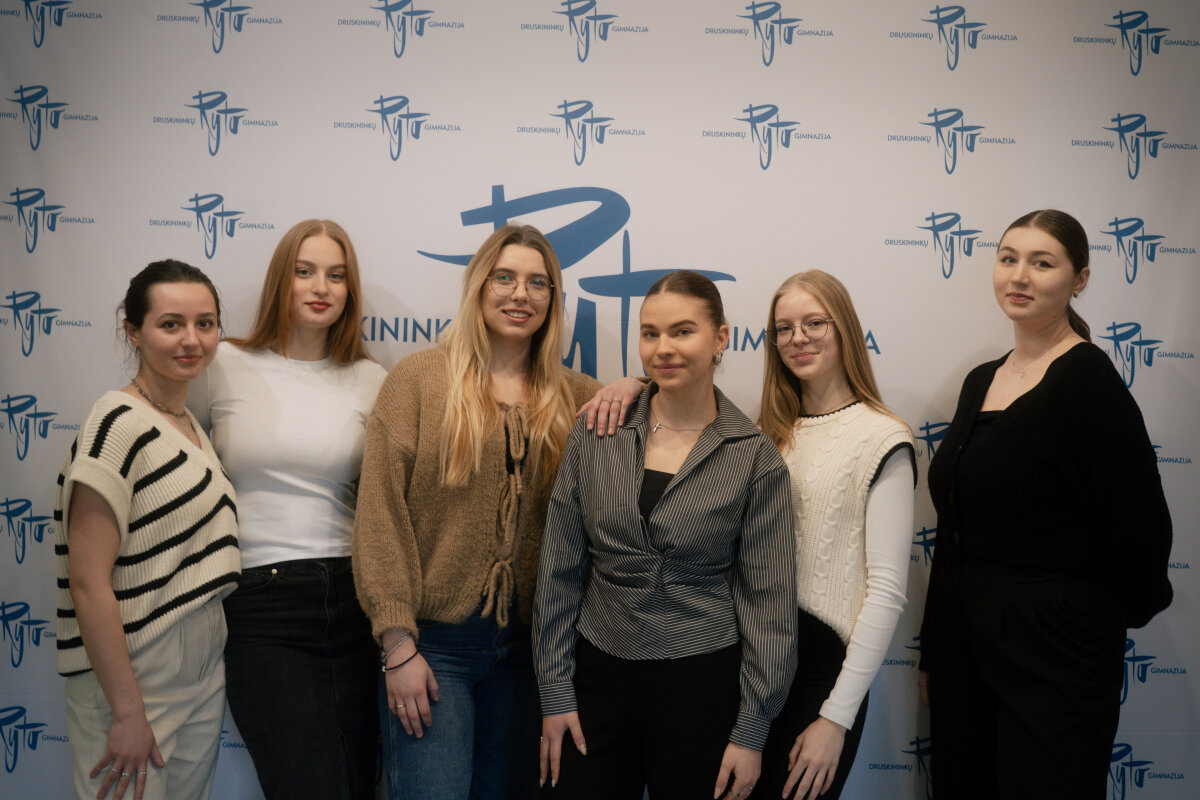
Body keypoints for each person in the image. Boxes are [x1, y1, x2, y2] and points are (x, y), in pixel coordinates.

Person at [353, 224, 629, 800]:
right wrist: (398, 646)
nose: (520, 294)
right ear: (479, 286)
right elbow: (380, 519)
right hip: (432, 649)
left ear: (553, 298)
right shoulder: (418, 382)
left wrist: (635, 384)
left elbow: (675, 406)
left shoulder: (579, 398)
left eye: (538, 282)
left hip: (531, 658)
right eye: (504, 278)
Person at [918, 210, 1173, 797]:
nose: (1020, 275)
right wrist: (935, 647)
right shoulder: (980, 380)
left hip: (1054, 657)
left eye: (1042, 262)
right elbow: (954, 530)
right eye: (1008, 258)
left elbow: (1141, 532)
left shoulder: (1089, 383)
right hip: (963, 646)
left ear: (1079, 279)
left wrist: (1080, 627)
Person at [535, 270, 798, 800]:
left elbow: (768, 603)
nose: (663, 348)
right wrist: (554, 689)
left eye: (682, 331)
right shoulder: (597, 431)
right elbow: (559, 568)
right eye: (650, 333)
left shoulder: (754, 458)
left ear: (720, 338)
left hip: (702, 684)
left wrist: (752, 728)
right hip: (596, 676)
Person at [189, 220, 385, 799]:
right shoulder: (222, 364)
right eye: (305, 272)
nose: (320, 287)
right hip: (261, 603)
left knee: (357, 784)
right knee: (306, 784)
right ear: (282, 279)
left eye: (336, 275)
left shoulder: (372, 379)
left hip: (353, 599)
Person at [55, 259, 240, 800]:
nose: (191, 340)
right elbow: (87, 582)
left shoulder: (188, 425)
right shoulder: (116, 423)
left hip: (201, 661)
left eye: (205, 323)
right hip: (135, 668)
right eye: (171, 324)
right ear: (133, 332)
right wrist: (127, 709)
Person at [744, 271, 916, 800]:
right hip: (753, 666)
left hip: (823, 676)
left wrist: (835, 718)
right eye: (784, 328)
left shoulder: (882, 437)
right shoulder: (767, 432)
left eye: (814, 323)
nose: (798, 338)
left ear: (844, 329)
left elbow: (885, 591)